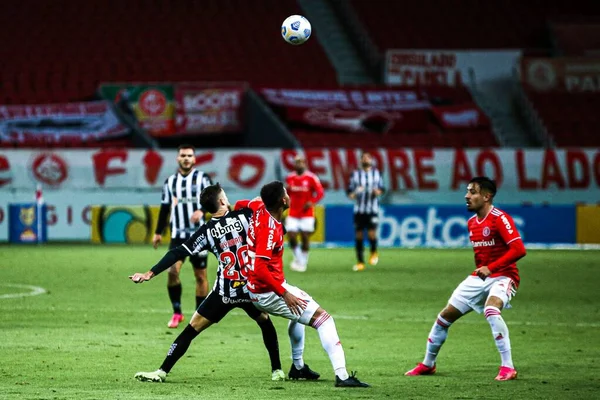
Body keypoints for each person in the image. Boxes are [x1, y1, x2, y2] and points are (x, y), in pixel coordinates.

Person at [129, 183, 285, 382]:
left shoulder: (207, 231)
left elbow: (177, 252)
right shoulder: (246, 216)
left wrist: (150, 273)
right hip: (249, 289)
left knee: (191, 329)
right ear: (222, 201)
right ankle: (277, 370)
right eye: (225, 196)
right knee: (264, 322)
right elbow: (272, 224)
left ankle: (162, 371)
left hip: (224, 292)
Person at [239, 181, 369, 388]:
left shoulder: (258, 206)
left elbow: (239, 204)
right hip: (267, 291)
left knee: (298, 314)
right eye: (286, 193)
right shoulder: (270, 229)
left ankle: (298, 367)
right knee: (324, 319)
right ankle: (342, 376)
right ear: (283, 200)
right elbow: (259, 269)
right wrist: (284, 294)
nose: (289, 196)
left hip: (259, 288)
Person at [405, 176, 526, 381]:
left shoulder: (499, 218)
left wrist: (492, 268)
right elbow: (482, 258)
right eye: (467, 191)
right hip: (480, 276)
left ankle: (508, 367)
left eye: (472, 192)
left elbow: (518, 249)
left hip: (503, 276)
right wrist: (484, 270)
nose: (466, 196)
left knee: (491, 309)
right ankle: (428, 364)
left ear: (487, 196)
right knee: (444, 318)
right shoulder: (472, 222)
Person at [153, 144, 213, 328]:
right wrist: (158, 232)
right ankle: (177, 311)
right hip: (178, 235)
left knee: (201, 276)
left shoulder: (203, 179)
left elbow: (214, 200)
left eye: (189, 155)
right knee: (172, 271)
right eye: (183, 155)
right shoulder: (170, 182)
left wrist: (201, 210)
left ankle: (198, 314)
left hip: (199, 236)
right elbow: (164, 208)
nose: (186, 158)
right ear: (178, 159)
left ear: (194, 159)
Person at [285, 155, 324, 272]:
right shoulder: (290, 177)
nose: (299, 164)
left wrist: (312, 202)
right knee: (291, 235)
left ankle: (303, 262)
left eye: (301, 162)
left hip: (307, 213)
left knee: (305, 237)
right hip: (293, 213)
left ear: (305, 164)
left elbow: (320, 193)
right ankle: (298, 258)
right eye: (297, 162)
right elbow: (287, 193)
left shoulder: (311, 178)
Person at [346, 151, 385, 272]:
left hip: (372, 209)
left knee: (371, 233)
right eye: (364, 158)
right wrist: (356, 192)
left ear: (371, 160)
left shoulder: (376, 173)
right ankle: (360, 262)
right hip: (359, 209)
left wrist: (377, 192)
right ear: (361, 160)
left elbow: (382, 189)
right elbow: (350, 193)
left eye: (368, 158)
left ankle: (373, 252)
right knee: (359, 235)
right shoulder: (355, 174)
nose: (366, 160)